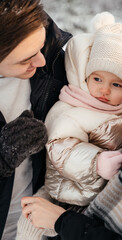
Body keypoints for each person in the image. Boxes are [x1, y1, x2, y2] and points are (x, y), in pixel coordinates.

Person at [16, 12, 122, 240]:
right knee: (30, 228)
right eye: (97, 79)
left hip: (97, 200)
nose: (104, 90)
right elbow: (59, 147)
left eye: (116, 84)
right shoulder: (73, 108)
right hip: (64, 192)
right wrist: (95, 162)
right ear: (86, 75)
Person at [0, 0, 72, 239]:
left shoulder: (52, 60)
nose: (41, 61)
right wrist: (3, 157)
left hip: (39, 225)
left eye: (40, 48)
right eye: (25, 59)